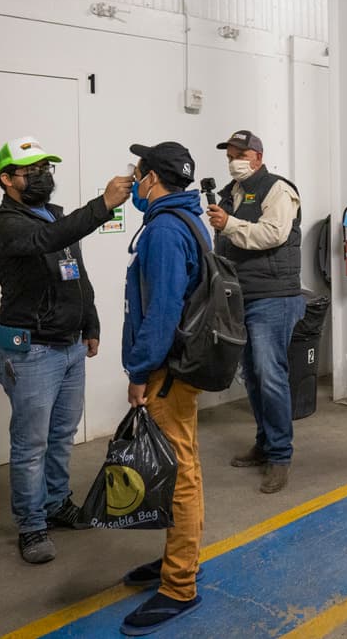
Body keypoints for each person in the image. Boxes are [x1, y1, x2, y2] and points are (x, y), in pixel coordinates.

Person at [0, 136, 133, 564]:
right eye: (31, 171)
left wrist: (91, 322)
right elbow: (47, 240)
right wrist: (103, 204)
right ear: (7, 179)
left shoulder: (56, 214)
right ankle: (32, 526)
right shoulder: (4, 223)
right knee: (30, 444)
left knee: (61, 437)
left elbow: (75, 272)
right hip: (30, 351)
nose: (42, 177)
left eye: (46, 169)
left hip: (68, 347)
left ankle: (55, 503)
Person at [118, 142, 208, 635]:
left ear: (152, 179)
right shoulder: (187, 220)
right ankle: (182, 557)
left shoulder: (165, 231)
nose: (133, 178)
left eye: (137, 171)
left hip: (167, 371)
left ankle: (179, 585)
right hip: (178, 366)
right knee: (183, 464)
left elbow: (163, 312)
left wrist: (139, 371)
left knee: (181, 473)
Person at [206, 130, 304, 494]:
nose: (234, 159)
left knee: (269, 373)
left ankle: (280, 456)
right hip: (240, 297)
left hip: (274, 296)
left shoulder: (278, 190)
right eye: (230, 153)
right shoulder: (229, 194)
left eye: (241, 153)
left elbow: (273, 234)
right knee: (252, 374)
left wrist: (229, 225)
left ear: (258, 157)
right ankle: (265, 444)